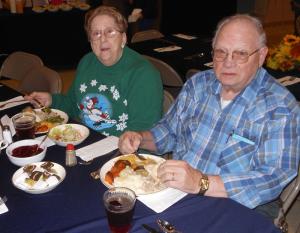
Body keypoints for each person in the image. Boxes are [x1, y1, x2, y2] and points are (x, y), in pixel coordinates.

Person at [118, 14, 300, 220]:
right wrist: (141, 138)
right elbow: (168, 131)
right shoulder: (198, 85)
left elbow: (272, 178)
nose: (228, 62)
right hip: (178, 192)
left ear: (261, 55)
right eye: (221, 52)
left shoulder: (279, 106)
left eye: (240, 53)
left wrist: (201, 183)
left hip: (241, 205)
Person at [25, 6, 163, 137]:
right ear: (90, 41)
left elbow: (143, 134)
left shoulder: (143, 75)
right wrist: (52, 100)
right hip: (87, 141)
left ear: (124, 38)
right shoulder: (87, 62)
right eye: (96, 34)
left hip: (122, 152)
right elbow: (74, 105)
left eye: (110, 31)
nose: (102, 39)